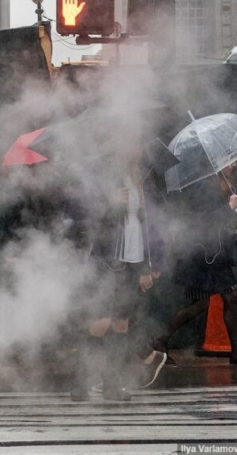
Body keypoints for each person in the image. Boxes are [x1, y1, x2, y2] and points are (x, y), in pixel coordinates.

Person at [69, 155, 169, 403]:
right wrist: (109, 204)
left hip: (132, 260)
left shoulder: (141, 176)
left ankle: (112, 385)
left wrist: (147, 266)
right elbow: (79, 217)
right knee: (100, 324)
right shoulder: (100, 173)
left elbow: (150, 225)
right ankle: (81, 382)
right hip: (105, 261)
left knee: (121, 324)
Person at [152, 160, 237, 365]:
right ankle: (161, 340)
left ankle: (236, 350)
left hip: (214, 253)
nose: (234, 165)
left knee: (221, 299)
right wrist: (230, 206)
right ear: (216, 164)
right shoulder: (202, 186)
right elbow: (203, 220)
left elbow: (224, 219)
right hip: (201, 254)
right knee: (209, 302)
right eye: (229, 161)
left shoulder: (222, 184)